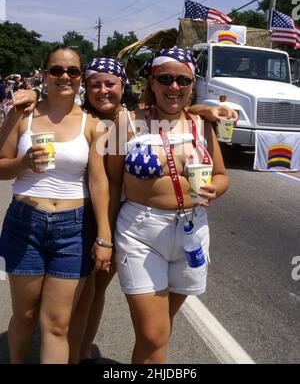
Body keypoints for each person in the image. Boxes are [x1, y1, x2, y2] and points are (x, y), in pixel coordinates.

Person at [11, 54, 237, 364]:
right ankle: (76, 355)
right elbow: (109, 180)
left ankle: (83, 351)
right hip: (105, 221)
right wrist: (106, 234)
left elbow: (180, 112)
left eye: (110, 84)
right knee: (84, 296)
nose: (103, 91)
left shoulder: (144, 118)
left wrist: (204, 111)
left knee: (100, 296)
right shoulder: (98, 119)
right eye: (94, 84)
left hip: (162, 225)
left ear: (124, 85)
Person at [108, 47, 229, 364]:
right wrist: (103, 239)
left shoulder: (201, 126)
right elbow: (109, 184)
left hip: (192, 233)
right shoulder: (127, 123)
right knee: (153, 334)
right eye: (165, 78)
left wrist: (215, 187)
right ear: (152, 81)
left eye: (182, 80)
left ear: (192, 84)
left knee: (158, 333)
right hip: (140, 233)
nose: (174, 86)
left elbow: (221, 174)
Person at [0, 45, 111, 364]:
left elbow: (98, 181)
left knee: (58, 325)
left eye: (73, 71)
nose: (65, 76)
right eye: (57, 70)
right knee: (25, 316)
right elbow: (0, 166)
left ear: (81, 78)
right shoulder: (23, 115)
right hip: (25, 223)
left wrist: (103, 235)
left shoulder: (94, 124)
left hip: (74, 229)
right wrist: (22, 163)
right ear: (45, 74)